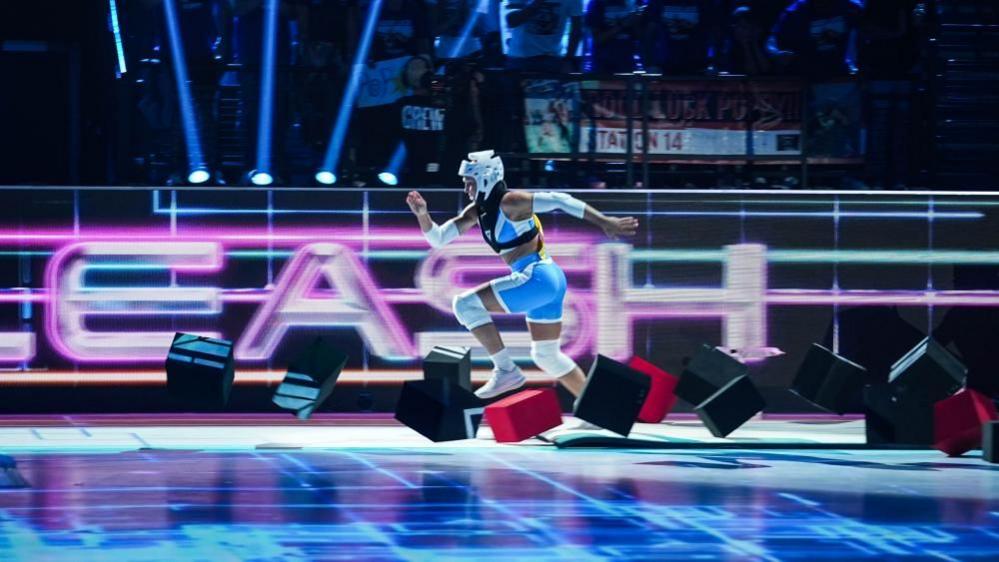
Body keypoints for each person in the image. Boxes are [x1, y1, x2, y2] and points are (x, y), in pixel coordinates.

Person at [405, 150, 639, 399]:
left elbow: (560, 200)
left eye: (469, 182)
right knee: (546, 355)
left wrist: (604, 221)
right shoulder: (477, 212)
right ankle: (596, 409)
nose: (466, 189)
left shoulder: (511, 202)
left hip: (537, 277)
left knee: (465, 304)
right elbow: (438, 238)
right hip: (549, 280)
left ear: (486, 178)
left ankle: (506, 370)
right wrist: (423, 215)